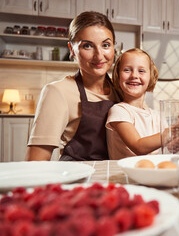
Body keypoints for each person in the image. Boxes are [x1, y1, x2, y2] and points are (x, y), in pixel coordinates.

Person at [26, 11, 121, 161]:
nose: (99, 55)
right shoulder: (58, 92)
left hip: (115, 179)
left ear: (114, 47)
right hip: (77, 180)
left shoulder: (121, 90)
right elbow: (36, 162)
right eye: (87, 46)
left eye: (106, 45)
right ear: (72, 50)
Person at [106, 48, 179, 159]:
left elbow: (172, 146)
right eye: (127, 70)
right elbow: (138, 146)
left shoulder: (156, 115)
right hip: (123, 174)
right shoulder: (119, 110)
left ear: (151, 77)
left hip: (150, 172)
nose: (134, 75)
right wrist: (177, 127)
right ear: (118, 76)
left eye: (141, 71)